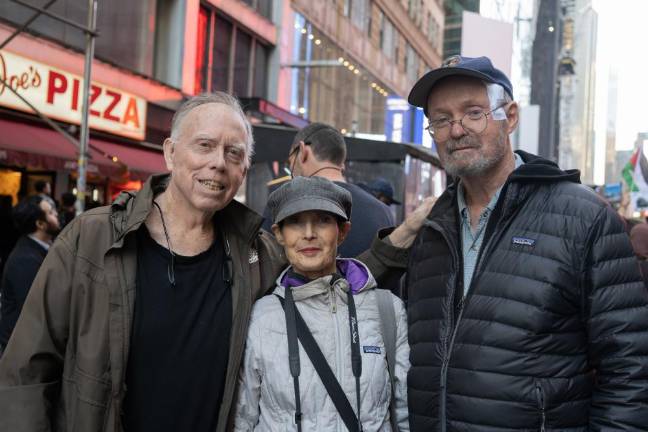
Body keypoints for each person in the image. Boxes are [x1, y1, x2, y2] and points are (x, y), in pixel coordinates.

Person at [0, 92, 427, 432]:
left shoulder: (254, 251)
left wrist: (403, 236)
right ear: (171, 152)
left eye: (235, 153)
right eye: (204, 145)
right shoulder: (92, 239)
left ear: (244, 171)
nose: (218, 163)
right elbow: (26, 371)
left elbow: (325, 273)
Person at [404, 55, 648, 430]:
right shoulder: (431, 230)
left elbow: (630, 369)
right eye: (441, 119)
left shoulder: (583, 218)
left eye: (473, 113)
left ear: (510, 116)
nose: (455, 131)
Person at [234, 176, 409, 431]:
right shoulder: (260, 318)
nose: (308, 234)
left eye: (323, 220)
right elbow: (242, 419)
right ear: (279, 235)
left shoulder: (387, 311)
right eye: (294, 222)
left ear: (342, 231)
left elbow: (405, 413)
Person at [263, 122, 394, 258]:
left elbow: (265, 264)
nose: (291, 169)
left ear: (302, 151)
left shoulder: (282, 205)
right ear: (341, 162)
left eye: (291, 161)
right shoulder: (383, 212)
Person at [0, 195, 60, 355]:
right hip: (22, 352)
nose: (56, 214)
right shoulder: (25, 260)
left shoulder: (41, 248)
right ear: (40, 224)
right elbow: (36, 311)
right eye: (51, 212)